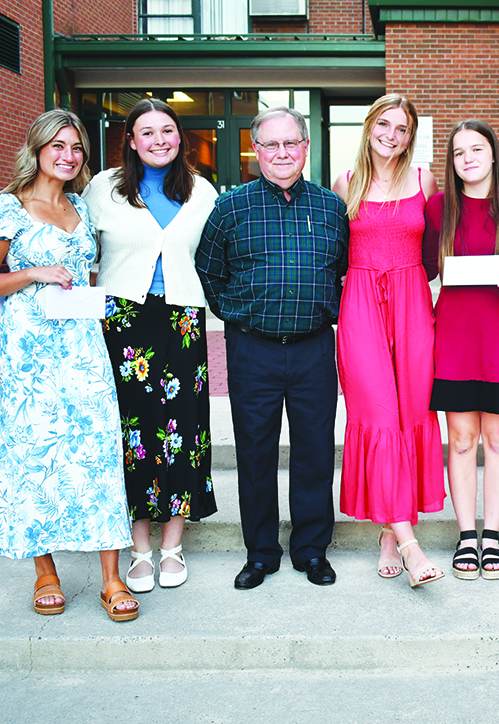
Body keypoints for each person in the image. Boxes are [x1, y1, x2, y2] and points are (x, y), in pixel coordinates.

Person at [0, 110, 138, 621]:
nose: (68, 157)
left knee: (97, 450)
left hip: (83, 346)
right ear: (38, 150)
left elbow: (83, 273)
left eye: (77, 148)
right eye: (58, 146)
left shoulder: (81, 209)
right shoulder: (5, 207)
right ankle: (45, 571)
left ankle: (111, 578)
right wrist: (33, 273)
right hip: (30, 355)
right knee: (33, 455)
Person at [196, 106, 349, 589]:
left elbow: (344, 269)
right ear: (256, 150)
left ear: (306, 147)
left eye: (291, 143)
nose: (282, 153)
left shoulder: (330, 208)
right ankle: (260, 553)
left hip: (313, 349)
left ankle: (311, 550)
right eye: (271, 144)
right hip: (252, 350)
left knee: (315, 453)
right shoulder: (231, 207)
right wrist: (237, 315)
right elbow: (209, 271)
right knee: (255, 454)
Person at [83, 98, 219, 594]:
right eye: (147, 132)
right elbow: (79, 249)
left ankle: (172, 546)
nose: (158, 139)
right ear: (132, 141)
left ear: (179, 137)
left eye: (167, 130)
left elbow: (215, 254)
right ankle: (140, 550)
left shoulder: (202, 191)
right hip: (123, 321)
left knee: (183, 428)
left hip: (182, 317)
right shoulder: (103, 190)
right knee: (132, 432)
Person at [331, 94, 445, 588]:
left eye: (402, 128)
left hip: (413, 303)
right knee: (377, 415)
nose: (392, 135)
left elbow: (438, 252)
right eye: (384, 124)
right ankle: (410, 543)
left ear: (410, 136)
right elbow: (335, 253)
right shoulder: (345, 184)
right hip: (360, 304)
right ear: (369, 126)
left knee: (411, 413)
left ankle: (388, 531)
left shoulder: (424, 181)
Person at [422, 120, 499, 580]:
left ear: (493, 154)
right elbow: (425, 266)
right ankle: (466, 535)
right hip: (454, 336)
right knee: (461, 441)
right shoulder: (438, 209)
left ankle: (492, 534)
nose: (468, 158)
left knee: (497, 440)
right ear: (451, 163)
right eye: (458, 153)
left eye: (476, 149)